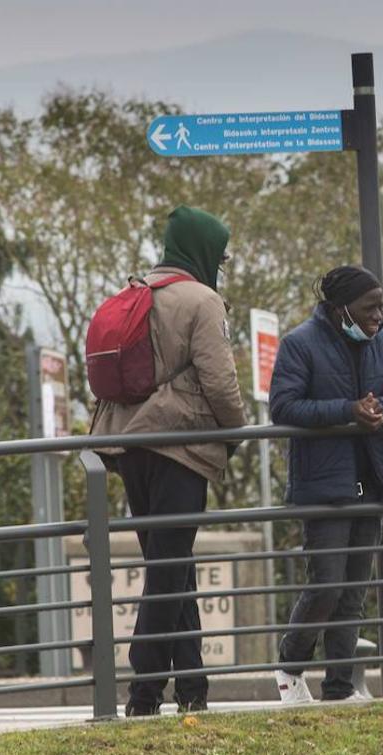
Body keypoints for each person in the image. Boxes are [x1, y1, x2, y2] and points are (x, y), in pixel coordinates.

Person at [91, 205, 247, 717]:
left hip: (130, 448)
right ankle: (144, 690)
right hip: (180, 447)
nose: (220, 265)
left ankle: (193, 686)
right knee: (168, 568)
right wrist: (237, 431)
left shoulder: (135, 292)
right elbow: (220, 381)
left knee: (173, 566)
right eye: (219, 255)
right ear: (203, 250)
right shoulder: (203, 300)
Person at [269, 265, 383, 704]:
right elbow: (284, 407)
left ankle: (338, 687)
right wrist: (346, 411)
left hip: (370, 480)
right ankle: (290, 668)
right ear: (340, 309)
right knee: (326, 585)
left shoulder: (382, 342)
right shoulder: (300, 343)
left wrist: (380, 410)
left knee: (353, 593)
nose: (379, 317)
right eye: (370, 308)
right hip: (323, 485)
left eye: (382, 307)